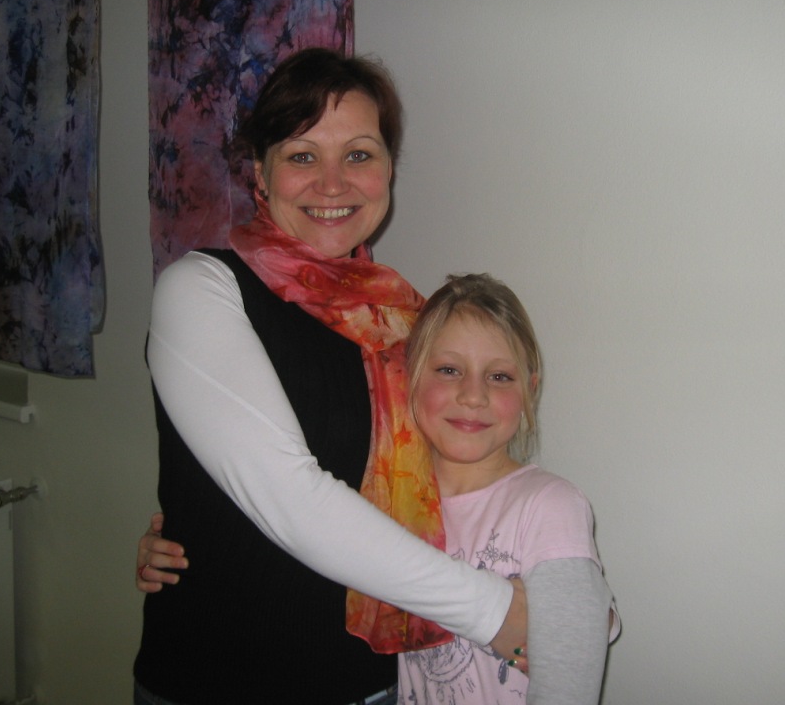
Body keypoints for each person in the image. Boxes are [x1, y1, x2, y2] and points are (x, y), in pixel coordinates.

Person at [132, 48, 527, 705]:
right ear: (260, 175)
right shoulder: (202, 289)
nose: (333, 183)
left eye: (359, 154)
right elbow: (288, 495)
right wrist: (499, 612)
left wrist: (564, 581)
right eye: (302, 155)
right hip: (218, 681)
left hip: (380, 684)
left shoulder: (408, 323)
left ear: (388, 170)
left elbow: (475, 485)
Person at [397, 273, 620, 704]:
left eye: (499, 376)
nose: (473, 395)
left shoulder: (550, 507)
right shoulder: (395, 504)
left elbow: (568, 684)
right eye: (449, 370)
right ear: (410, 377)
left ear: (528, 392)